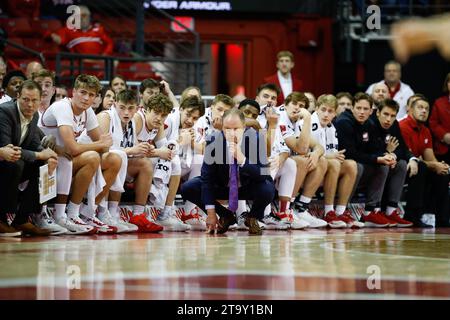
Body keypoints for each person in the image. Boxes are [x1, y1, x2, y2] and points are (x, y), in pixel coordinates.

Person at [181, 108, 275, 235]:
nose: (231, 133)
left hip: (248, 187)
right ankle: (226, 215)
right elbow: (207, 178)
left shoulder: (257, 139)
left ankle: (253, 217)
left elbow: (264, 174)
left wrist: (243, 160)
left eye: (236, 129)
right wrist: (211, 213)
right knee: (189, 187)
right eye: (227, 129)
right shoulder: (213, 140)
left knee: (268, 188)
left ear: (244, 127)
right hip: (223, 186)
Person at [39, 74, 113, 235]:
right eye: (83, 92)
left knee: (106, 158)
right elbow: (75, 147)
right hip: (41, 157)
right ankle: (55, 214)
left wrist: (99, 144)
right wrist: (99, 144)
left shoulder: (88, 112)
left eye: (91, 95)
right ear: (73, 92)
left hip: (61, 159)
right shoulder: (63, 107)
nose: (86, 98)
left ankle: (74, 213)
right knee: (82, 157)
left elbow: (106, 147)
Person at [96, 89, 160, 233]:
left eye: (131, 108)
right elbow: (103, 150)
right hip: (95, 161)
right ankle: (103, 211)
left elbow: (133, 149)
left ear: (137, 108)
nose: (126, 112)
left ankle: (138, 214)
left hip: (115, 161)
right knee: (117, 159)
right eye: (122, 107)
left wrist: (145, 149)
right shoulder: (105, 117)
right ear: (115, 104)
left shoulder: (131, 123)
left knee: (144, 164)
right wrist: (132, 151)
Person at [0, 80, 58, 236]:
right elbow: (9, 150)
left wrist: (47, 155)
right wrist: (40, 154)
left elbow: (32, 142)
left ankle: (22, 219)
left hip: (10, 164)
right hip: (4, 162)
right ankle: (2, 220)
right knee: (16, 163)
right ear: (18, 96)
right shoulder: (5, 112)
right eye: (26, 99)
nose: (30, 105)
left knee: (43, 166)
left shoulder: (34, 115)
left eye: (34, 100)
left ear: (40, 100)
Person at [335, 93, 399, 227]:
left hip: (357, 164)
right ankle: (342, 209)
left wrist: (387, 155)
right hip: (340, 165)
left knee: (384, 165)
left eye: (365, 109)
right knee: (356, 166)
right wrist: (377, 158)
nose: (362, 112)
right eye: (358, 108)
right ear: (352, 108)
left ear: (371, 111)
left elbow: (375, 149)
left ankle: (370, 212)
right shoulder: (344, 122)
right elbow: (350, 153)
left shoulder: (369, 124)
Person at [134, 93, 190, 231]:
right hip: (129, 160)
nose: (159, 118)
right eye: (156, 113)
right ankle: (149, 202)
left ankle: (166, 212)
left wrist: (177, 144)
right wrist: (160, 152)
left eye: (163, 115)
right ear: (147, 110)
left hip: (141, 159)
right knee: (153, 161)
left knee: (174, 161)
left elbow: (166, 148)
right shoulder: (137, 119)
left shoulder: (158, 124)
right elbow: (134, 149)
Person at [274, 92, 328, 228]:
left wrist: (315, 154)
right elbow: (301, 149)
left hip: (285, 164)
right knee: (302, 160)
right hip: (273, 164)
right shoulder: (281, 117)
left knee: (322, 161)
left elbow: (319, 147)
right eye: (294, 104)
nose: (297, 108)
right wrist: (308, 119)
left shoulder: (297, 119)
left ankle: (301, 207)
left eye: (301, 106)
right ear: (285, 104)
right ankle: (288, 209)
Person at [311, 94, 361, 228]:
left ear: (335, 113)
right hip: (308, 166)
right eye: (323, 109)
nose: (326, 114)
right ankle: (329, 212)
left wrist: (335, 156)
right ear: (316, 109)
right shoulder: (311, 123)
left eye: (330, 111)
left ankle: (340, 211)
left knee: (351, 165)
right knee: (333, 163)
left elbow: (332, 154)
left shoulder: (331, 128)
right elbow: (306, 153)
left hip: (323, 165)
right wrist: (332, 157)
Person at [399, 96, 450, 227]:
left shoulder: (426, 130)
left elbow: (430, 157)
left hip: (419, 167)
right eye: (420, 108)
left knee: (442, 174)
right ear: (410, 110)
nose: (424, 111)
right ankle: (412, 217)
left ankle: (442, 220)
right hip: (401, 166)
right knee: (420, 167)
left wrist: (440, 166)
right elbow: (406, 156)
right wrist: (433, 165)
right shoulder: (402, 126)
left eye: (427, 109)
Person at [371, 99, 416, 227]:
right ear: (378, 112)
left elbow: (402, 148)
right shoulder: (370, 123)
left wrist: (393, 154)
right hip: (370, 164)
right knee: (384, 163)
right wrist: (386, 152)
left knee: (401, 164)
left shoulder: (394, 125)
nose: (388, 119)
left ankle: (391, 211)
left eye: (392, 116)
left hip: (384, 161)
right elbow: (368, 151)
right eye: (385, 114)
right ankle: (374, 210)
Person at [164, 95, 206, 230]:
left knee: (201, 160)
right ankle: (166, 211)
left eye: (195, 118)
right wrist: (181, 141)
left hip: (179, 164)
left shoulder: (194, 127)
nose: (190, 120)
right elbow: (162, 149)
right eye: (188, 115)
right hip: (161, 162)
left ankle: (188, 212)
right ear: (181, 109)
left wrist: (192, 142)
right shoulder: (169, 120)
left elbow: (202, 149)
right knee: (175, 161)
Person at [47, 5, 114, 56]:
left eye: (84, 16)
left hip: (98, 62)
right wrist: (53, 36)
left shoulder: (99, 29)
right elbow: (56, 38)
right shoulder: (68, 30)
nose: (81, 19)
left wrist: (104, 55)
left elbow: (109, 43)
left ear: (89, 17)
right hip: (79, 64)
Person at [429, 72, 450, 164]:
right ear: (447, 84)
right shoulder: (439, 102)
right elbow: (433, 123)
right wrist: (444, 135)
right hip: (443, 148)